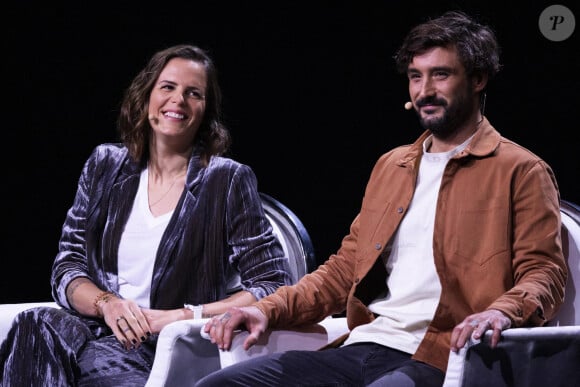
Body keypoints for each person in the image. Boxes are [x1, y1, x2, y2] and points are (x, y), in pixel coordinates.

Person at [195, 11, 568, 387]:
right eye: (415, 76)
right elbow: (345, 269)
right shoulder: (393, 166)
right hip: (364, 345)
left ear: (477, 79)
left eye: (441, 74)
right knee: (218, 384)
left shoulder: (520, 170)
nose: (425, 90)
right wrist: (266, 310)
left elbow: (545, 273)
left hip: (443, 357)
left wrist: (501, 312)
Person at [0, 44, 293, 386]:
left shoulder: (226, 180)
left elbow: (273, 283)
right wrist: (106, 303)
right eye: (167, 87)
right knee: (34, 326)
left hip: (159, 344)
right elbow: (68, 264)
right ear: (146, 95)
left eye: (193, 93)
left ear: (205, 110)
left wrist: (180, 316)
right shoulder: (105, 165)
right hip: (92, 326)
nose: (178, 100)